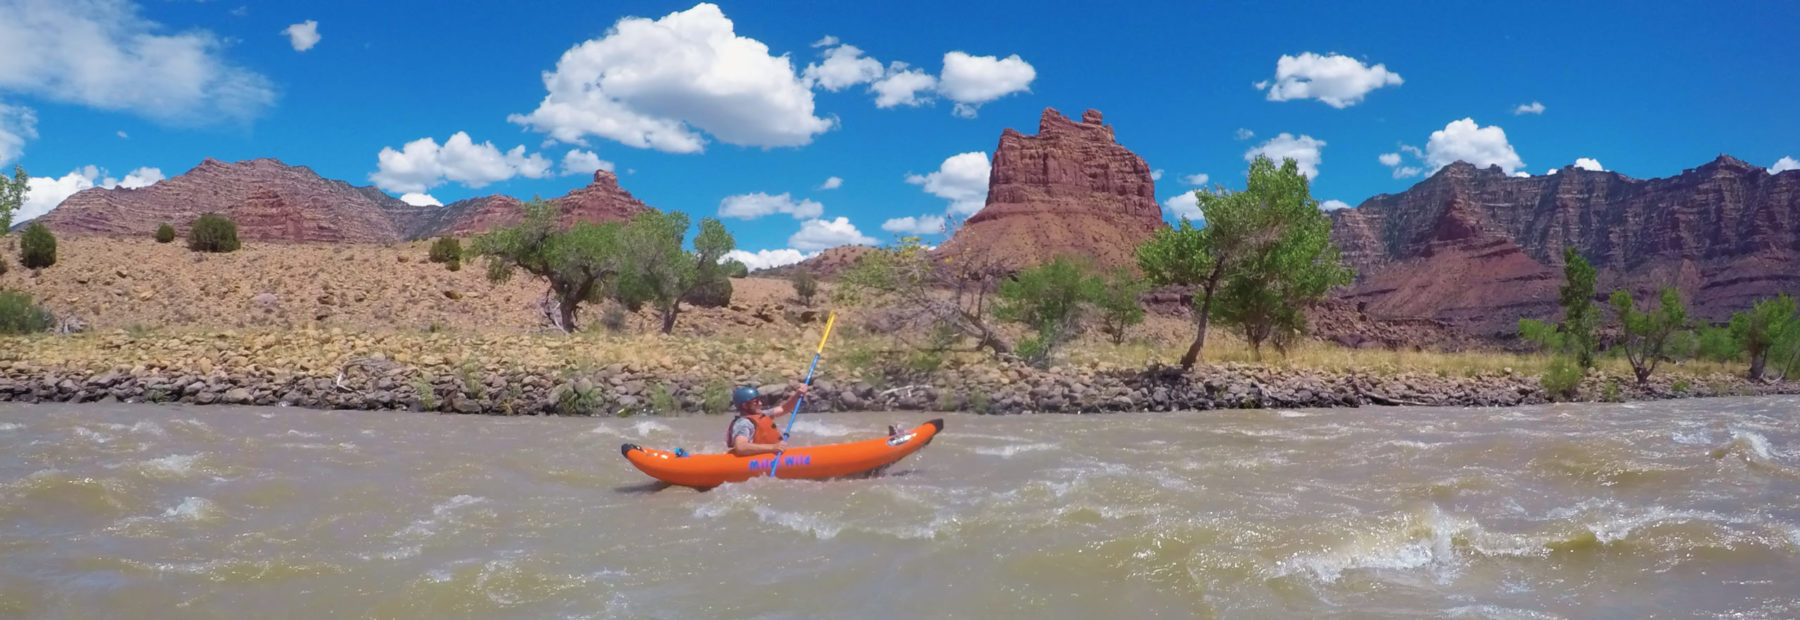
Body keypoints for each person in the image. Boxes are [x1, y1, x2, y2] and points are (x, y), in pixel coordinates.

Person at [726, 384, 808, 457]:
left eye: (759, 400)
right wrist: (773, 447)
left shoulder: (761, 414)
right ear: (745, 405)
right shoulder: (743, 423)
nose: (760, 403)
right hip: (753, 462)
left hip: (767, 456)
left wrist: (797, 395)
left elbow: (784, 409)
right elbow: (741, 447)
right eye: (756, 402)